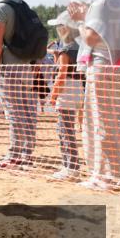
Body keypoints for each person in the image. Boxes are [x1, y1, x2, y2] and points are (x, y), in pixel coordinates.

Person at [69, 0, 120, 190]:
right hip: (117, 67)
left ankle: (105, 176)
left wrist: (82, 20)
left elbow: (91, 37)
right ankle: (116, 173)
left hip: (103, 67)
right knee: (117, 122)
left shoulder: (104, 2)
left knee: (101, 122)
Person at [0, 0, 41, 170]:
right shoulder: (24, 6)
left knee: (13, 112)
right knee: (28, 110)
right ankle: (27, 154)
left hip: (8, 67)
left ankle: (14, 155)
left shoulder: (1, 8)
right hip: (26, 64)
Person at [45, 11, 85, 180]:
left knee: (64, 130)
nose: (58, 29)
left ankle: (70, 167)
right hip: (79, 89)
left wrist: (53, 96)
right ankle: (71, 166)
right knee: (68, 130)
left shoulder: (66, 49)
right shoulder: (80, 46)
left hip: (67, 92)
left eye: (60, 26)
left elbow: (62, 74)